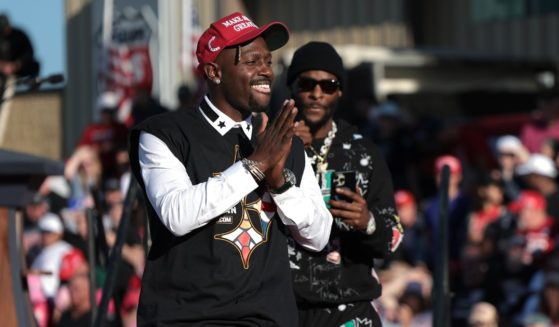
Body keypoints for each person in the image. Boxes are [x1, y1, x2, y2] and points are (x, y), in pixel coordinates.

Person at [128, 12, 332, 326]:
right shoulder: (163, 133)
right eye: (251, 62)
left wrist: (279, 184)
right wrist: (255, 165)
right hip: (188, 318)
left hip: (268, 318)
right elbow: (176, 215)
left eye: (267, 60)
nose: (265, 70)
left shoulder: (282, 141)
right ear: (214, 72)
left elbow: (318, 236)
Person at [287, 41, 403, 327]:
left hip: (348, 309)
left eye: (328, 85)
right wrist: (283, 151)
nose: (316, 94)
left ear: (339, 92)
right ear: (292, 87)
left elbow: (394, 236)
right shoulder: (269, 143)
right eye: (307, 83)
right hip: (284, 308)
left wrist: (368, 223)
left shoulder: (364, 152)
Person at [0, 13, 39, 82]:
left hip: (19, 68)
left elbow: (29, 52)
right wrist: (3, 66)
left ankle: (31, 86)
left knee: (35, 65)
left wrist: (16, 65)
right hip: (2, 71)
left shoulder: (19, 35)